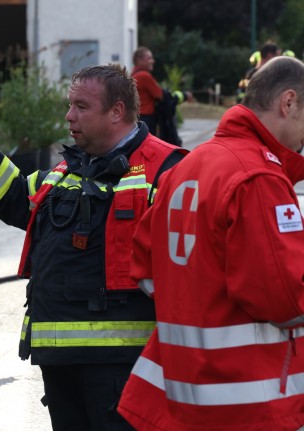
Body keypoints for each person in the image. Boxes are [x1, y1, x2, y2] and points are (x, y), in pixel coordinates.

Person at [0, 64, 187, 431]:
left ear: (117, 111)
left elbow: (189, 271)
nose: (68, 116)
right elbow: (16, 199)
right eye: (69, 105)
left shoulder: (167, 170)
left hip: (126, 366)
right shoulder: (68, 169)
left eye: (81, 106)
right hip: (59, 362)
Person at [117, 56, 304, 431]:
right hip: (251, 399)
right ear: (288, 103)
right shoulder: (258, 177)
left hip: (186, 397)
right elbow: (286, 298)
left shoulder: (188, 165)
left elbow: (144, 266)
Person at [131, 46, 191, 146]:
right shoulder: (144, 76)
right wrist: (185, 95)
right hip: (147, 121)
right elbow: (162, 96)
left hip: (137, 120)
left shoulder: (133, 75)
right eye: (149, 58)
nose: (153, 61)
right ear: (139, 60)